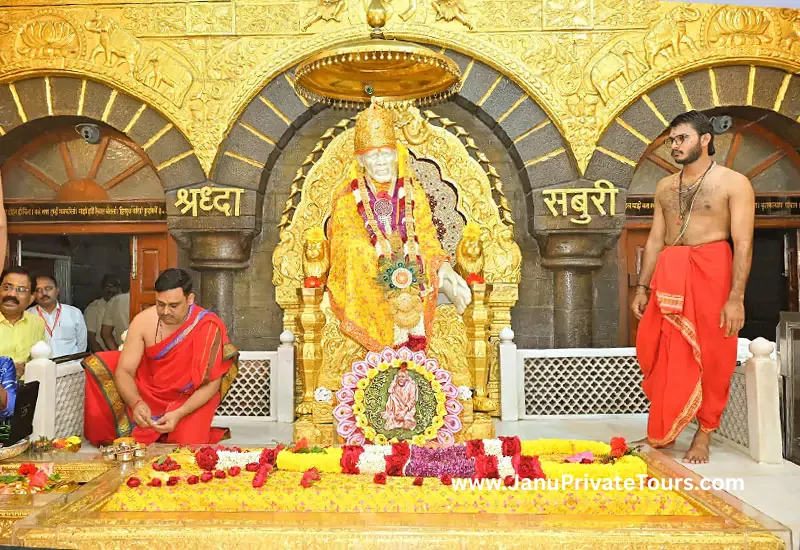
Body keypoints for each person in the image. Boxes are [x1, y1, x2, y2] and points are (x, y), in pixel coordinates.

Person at [631, 110, 754, 464]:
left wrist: (736, 298)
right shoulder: (665, 187)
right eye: (671, 140)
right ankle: (664, 429)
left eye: (681, 138)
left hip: (713, 268)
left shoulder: (734, 183)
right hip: (671, 270)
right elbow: (655, 239)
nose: (674, 145)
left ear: (705, 139)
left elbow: (743, 243)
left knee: (714, 353)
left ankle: (704, 433)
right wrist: (642, 287)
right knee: (661, 350)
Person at [327, 101, 471, 353]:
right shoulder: (347, 196)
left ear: (396, 156)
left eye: (385, 153)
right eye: (373, 155)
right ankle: (383, 346)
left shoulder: (412, 193)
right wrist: (383, 256)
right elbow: (346, 242)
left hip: (411, 265)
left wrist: (446, 270)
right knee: (356, 251)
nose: (381, 161)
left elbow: (427, 239)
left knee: (424, 258)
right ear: (361, 160)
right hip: (368, 270)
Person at [82, 268, 238, 446]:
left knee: (187, 446)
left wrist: (180, 412)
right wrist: (136, 403)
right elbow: (125, 371)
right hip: (151, 394)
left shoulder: (208, 325)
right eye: (160, 304)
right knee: (102, 362)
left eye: (174, 306)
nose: (165, 312)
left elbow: (211, 384)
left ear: (190, 299)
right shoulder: (143, 321)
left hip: (190, 399)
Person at [0, 267, 45, 378]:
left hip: (27, 387)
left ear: (31, 298)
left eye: (21, 290)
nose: (12, 294)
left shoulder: (36, 323)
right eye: (6, 287)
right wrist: (6, 370)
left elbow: (41, 359)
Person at [29, 275, 87, 358]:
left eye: (48, 288)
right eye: (38, 290)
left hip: (71, 365)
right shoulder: (28, 315)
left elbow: (82, 344)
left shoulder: (74, 313)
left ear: (57, 290)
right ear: (34, 294)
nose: (44, 293)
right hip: (41, 365)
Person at [84, 275, 122, 353]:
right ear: (102, 289)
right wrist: (104, 358)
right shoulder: (93, 308)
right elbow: (91, 339)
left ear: (119, 289)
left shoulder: (125, 306)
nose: (111, 289)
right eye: (107, 286)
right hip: (101, 355)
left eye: (114, 286)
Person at [381, 365, 418, 431]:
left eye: (403, 377)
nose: (401, 379)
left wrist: (404, 411)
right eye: (399, 377)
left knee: (407, 424)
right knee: (392, 396)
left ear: (406, 378)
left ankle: (401, 419)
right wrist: (394, 382)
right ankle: (395, 416)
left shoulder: (411, 385)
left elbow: (412, 400)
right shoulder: (395, 383)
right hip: (396, 408)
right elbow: (390, 391)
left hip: (407, 409)